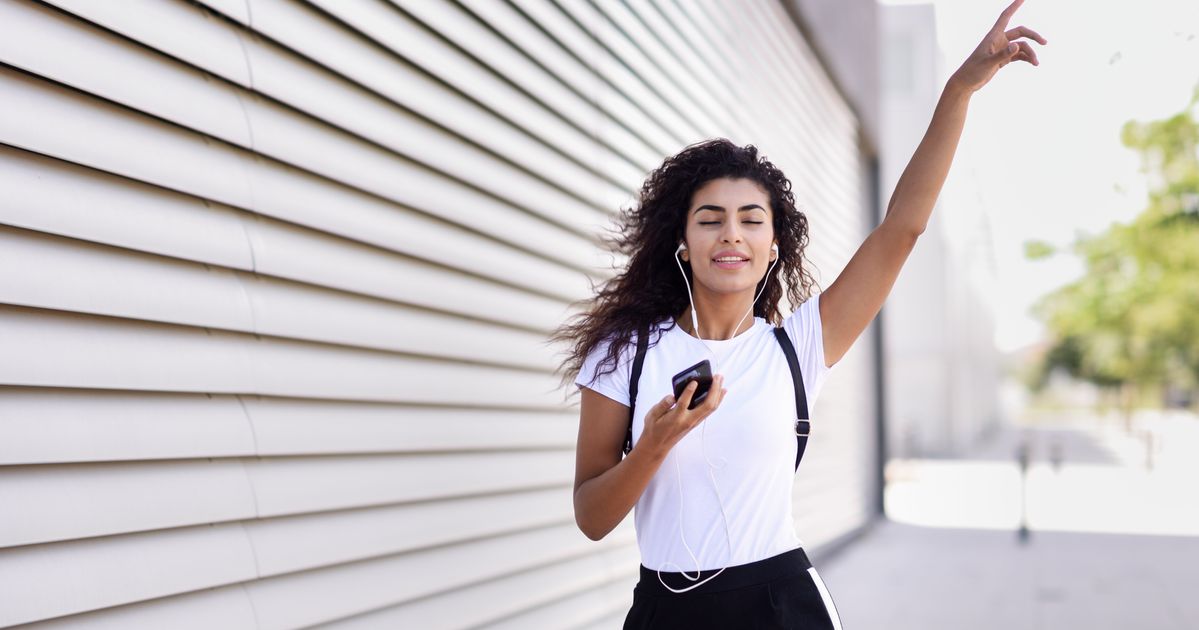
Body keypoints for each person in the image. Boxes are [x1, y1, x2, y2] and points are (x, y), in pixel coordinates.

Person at [552, 1, 1046, 627]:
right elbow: (592, 517)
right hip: (665, 610)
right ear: (682, 242)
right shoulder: (628, 352)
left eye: (750, 220)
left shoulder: (797, 346)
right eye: (711, 219)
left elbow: (902, 228)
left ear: (772, 247)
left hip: (781, 605)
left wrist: (959, 90)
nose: (731, 233)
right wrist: (652, 446)